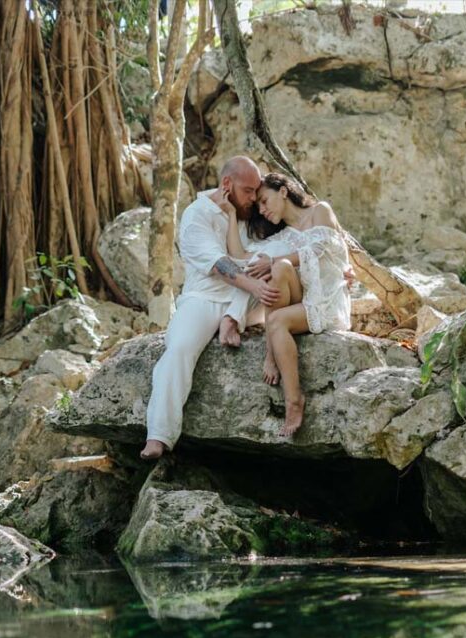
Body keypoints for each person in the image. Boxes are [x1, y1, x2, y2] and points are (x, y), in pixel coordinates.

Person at [140, 156, 282, 461]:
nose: (254, 198)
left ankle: (232, 320)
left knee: (278, 271)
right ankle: (158, 435)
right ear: (227, 184)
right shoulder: (196, 215)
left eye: (256, 191)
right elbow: (218, 265)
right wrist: (253, 283)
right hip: (205, 298)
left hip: (248, 301)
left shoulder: (252, 214)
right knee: (179, 348)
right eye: (248, 190)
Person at [219, 171, 353, 437]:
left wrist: (351, 271)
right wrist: (232, 215)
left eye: (265, 200)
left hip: (327, 299)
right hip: (303, 299)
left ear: (283, 191)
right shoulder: (284, 236)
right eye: (258, 206)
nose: (262, 209)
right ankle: (289, 388)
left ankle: (285, 383)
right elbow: (241, 256)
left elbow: (324, 249)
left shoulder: (320, 211)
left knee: (279, 268)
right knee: (278, 268)